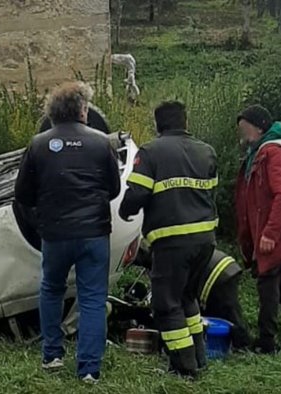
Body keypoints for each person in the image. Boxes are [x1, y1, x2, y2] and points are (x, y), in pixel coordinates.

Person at [14, 81, 121, 384]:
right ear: (82, 110)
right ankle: (88, 368)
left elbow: (22, 193)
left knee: (51, 290)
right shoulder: (102, 143)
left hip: (55, 234)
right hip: (94, 234)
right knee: (92, 298)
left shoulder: (37, 145)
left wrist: (42, 220)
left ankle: (52, 355)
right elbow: (113, 188)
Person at [119, 101, 218, 378]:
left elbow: (137, 194)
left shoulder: (151, 152)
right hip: (205, 239)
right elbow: (212, 195)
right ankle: (199, 358)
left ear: (158, 125)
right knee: (187, 297)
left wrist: (124, 212)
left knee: (166, 304)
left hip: (172, 241)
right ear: (185, 123)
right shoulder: (206, 151)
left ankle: (184, 369)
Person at [234, 105, 281, 354]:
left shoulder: (273, 154)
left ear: (258, 127)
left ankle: (267, 342)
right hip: (279, 232)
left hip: (276, 234)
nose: (241, 134)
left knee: (268, 284)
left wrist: (270, 233)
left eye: (244, 128)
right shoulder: (264, 152)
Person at [133, 241, 252, 350]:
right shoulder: (165, 249)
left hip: (216, 274)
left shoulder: (161, 260)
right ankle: (239, 343)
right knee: (222, 313)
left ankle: (243, 344)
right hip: (222, 266)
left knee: (227, 315)